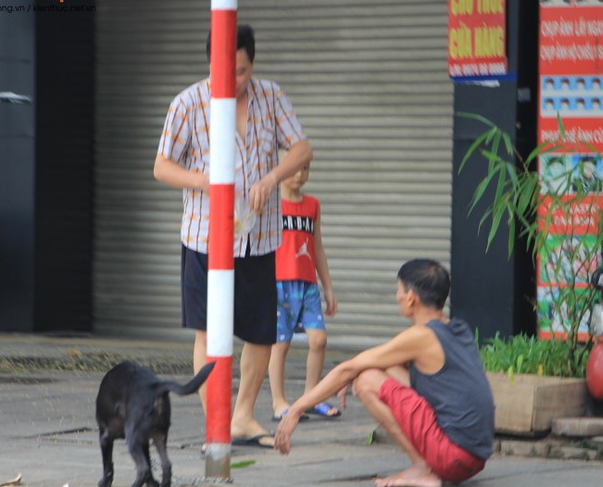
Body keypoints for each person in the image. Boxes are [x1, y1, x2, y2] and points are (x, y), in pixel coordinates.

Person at [154, 24, 313, 449]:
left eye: (241, 71)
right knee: (207, 331)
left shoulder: (271, 96)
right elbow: (162, 166)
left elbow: (301, 148)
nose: (233, 79)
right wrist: (203, 180)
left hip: (258, 237)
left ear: (252, 65)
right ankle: (216, 422)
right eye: (225, 70)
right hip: (205, 237)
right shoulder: (188, 103)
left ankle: (242, 416)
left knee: (262, 331)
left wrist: (273, 177)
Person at [275, 259, 495, 487]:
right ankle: (428, 466)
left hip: (451, 456)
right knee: (380, 367)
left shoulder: (421, 337)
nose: (396, 296)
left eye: (398, 290)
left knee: (367, 380)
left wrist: (296, 410)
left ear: (411, 298)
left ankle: (422, 469)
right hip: (474, 459)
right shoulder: (457, 328)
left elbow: (349, 368)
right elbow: (375, 363)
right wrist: (355, 371)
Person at [268, 155, 339, 422]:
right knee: (280, 344)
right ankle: (278, 402)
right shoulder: (270, 203)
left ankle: (311, 397)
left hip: (307, 284)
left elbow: (317, 247)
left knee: (319, 339)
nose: (299, 175)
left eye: (305, 169)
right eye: (295, 169)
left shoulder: (312, 205)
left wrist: (328, 287)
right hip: (277, 283)